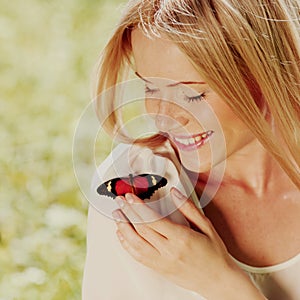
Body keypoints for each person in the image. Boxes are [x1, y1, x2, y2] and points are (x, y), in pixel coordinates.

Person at [82, 0, 300, 299]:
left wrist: (222, 284)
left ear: (267, 74)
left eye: (195, 94)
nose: (164, 115)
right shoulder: (133, 191)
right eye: (151, 88)